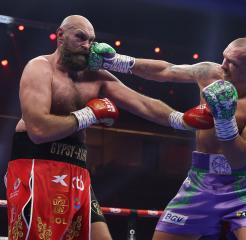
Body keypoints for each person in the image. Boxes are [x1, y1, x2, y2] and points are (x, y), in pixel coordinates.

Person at [4, 15, 214, 240]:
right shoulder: (40, 68)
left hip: (77, 170)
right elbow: (38, 131)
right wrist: (88, 114)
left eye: (91, 41)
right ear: (61, 35)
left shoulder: (96, 77)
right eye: (81, 37)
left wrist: (181, 120)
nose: (87, 46)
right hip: (38, 165)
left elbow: (142, 103)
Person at [89, 37, 246, 240]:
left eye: (232, 63)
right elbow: (166, 71)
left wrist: (224, 119)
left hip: (245, 185)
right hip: (201, 180)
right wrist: (114, 61)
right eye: (224, 58)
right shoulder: (210, 73)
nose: (223, 66)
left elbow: (239, 160)